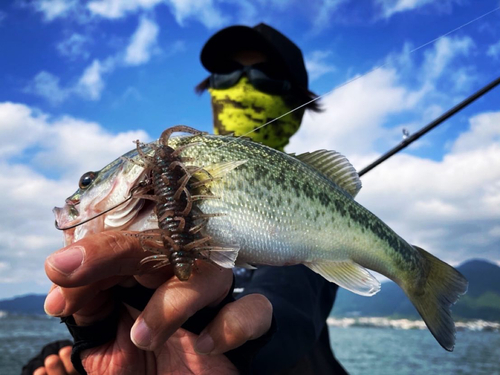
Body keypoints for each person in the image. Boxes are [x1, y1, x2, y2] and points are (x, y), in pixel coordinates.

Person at [29, 23, 347, 375]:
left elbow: (289, 309)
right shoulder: (184, 165)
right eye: (224, 75)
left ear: (295, 110)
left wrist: (236, 347)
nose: (240, 86)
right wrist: (84, 346)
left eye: (264, 76)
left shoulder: (316, 209)